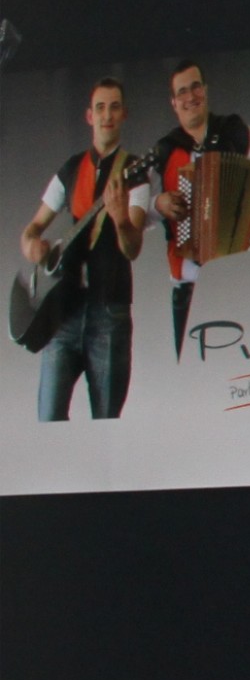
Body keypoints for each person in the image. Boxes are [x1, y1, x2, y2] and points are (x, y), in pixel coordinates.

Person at [21, 76, 147, 421]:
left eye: (114, 107)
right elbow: (33, 229)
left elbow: (132, 248)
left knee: (106, 425)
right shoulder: (70, 169)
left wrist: (121, 221)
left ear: (124, 114)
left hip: (110, 313)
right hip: (63, 311)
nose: (107, 115)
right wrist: (32, 246)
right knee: (48, 421)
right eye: (100, 108)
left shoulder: (136, 172)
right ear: (89, 116)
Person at [147, 59, 250, 358]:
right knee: (190, 369)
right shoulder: (164, 150)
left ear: (205, 89)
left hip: (237, 276)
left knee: (243, 366)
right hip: (189, 286)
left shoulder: (235, 131)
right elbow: (134, 215)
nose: (190, 96)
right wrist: (158, 203)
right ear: (173, 102)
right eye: (182, 92)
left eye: (195, 87)